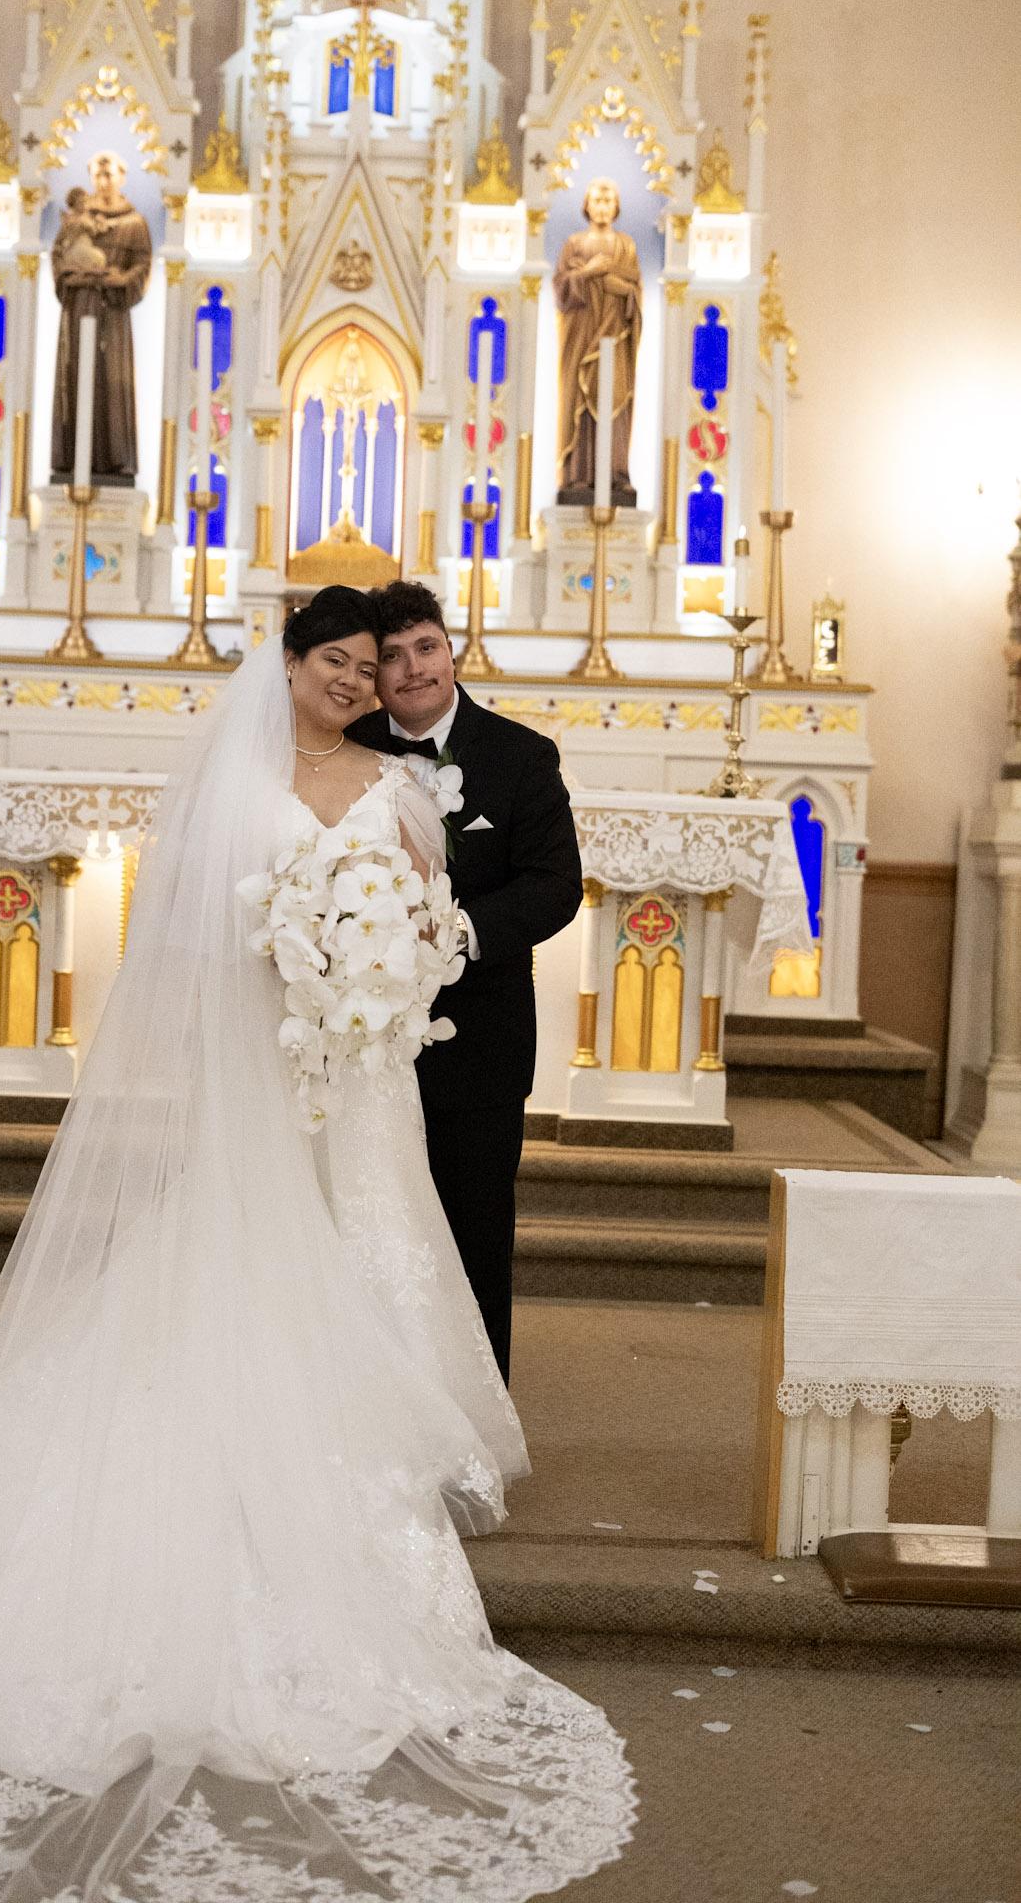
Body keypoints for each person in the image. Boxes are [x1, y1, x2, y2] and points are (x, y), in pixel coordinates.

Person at [0, 588, 634, 1902]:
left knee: (390, 1247)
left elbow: (426, 910)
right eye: (339, 661)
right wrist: (290, 964)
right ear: (291, 664)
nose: (359, 678)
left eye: (375, 661)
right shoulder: (237, 781)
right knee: (260, 1260)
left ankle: (394, 1467)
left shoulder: (405, 783)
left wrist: (376, 972)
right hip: (269, 1066)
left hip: (371, 1074)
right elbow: (191, 930)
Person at [350, 580, 583, 1381]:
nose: (413, 669)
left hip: (479, 1044)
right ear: (373, 675)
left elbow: (554, 885)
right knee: (367, 1238)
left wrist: (454, 931)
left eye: (426, 647)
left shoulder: (520, 756)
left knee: (472, 1239)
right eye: (391, 657)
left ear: (450, 651)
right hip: (362, 1045)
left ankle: (479, 1424)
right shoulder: (340, 749)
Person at [50, 150, 152, 486]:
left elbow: (142, 266)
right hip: (81, 307)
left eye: (109, 175)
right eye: (97, 175)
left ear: (122, 177)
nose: (103, 182)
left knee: (113, 381)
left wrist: (121, 279)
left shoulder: (134, 223)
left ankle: (114, 458)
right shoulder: (78, 219)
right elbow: (59, 257)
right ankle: (74, 458)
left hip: (113, 313)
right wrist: (74, 277)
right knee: (79, 375)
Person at [553, 176, 643, 505]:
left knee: (615, 399)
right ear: (586, 206)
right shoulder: (574, 244)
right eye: (597, 201)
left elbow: (634, 289)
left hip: (615, 339)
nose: (602, 207)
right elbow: (561, 289)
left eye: (608, 201)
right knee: (578, 398)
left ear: (616, 207)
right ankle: (577, 474)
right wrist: (589, 273)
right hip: (581, 337)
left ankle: (616, 472)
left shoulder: (626, 246)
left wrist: (623, 291)